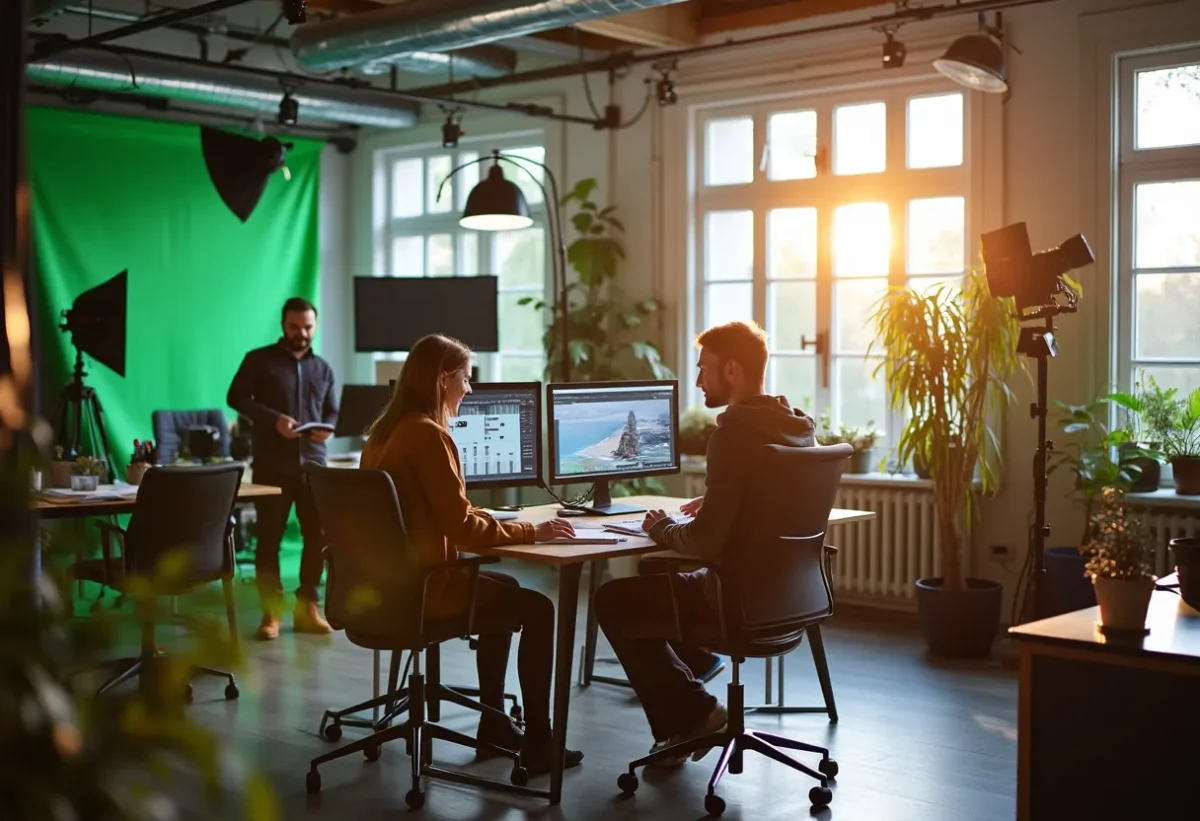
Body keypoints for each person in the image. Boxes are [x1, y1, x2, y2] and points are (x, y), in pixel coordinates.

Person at [359, 333, 584, 777]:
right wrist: (530, 532)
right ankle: (539, 741)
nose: (470, 389)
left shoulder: (385, 433)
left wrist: (488, 516)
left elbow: (440, 509)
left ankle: (494, 724)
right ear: (443, 380)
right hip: (426, 589)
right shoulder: (428, 436)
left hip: (389, 586)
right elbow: (461, 527)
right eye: (465, 378)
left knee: (506, 590)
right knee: (538, 610)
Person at [594, 320, 816, 766]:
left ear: (731, 369)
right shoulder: (797, 428)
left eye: (704, 369)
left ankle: (694, 715)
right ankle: (693, 675)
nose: (697, 381)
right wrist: (718, 499)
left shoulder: (734, 434)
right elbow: (767, 502)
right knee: (655, 583)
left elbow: (703, 543)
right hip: (789, 597)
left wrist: (660, 528)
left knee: (612, 600)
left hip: (734, 599)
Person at [228, 297, 339, 641]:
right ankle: (270, 613)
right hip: (272, 467)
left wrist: (328, 428)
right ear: (283, 325)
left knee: (318, 538)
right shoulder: (258, 360)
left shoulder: (323, 368)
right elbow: (236, 398)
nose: (301, 333)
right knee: (269, 541)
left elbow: (333, 411)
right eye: (294, 327)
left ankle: (308, 607)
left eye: (307, 327)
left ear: (314, 326)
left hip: (314, 466)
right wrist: (273, 419)